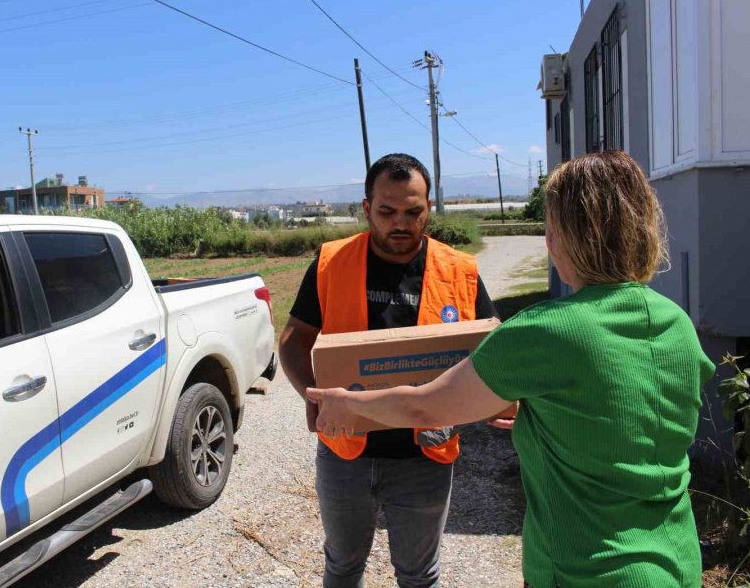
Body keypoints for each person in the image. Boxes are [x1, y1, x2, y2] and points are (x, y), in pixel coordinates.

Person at [308, 150, 716, 588]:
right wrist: (546, 413)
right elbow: (624, 413)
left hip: (587, 570)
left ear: (561, 238)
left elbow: (429, 408)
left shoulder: (547, 331)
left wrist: (349, 406)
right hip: (676, 562)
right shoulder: (677, 325)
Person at [279, 153, 500, 588]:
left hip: (425, 454)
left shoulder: (460, 271)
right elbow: (293, 339)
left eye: (413, 212)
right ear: (366, 208)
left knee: (419, 575)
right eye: (387, 211)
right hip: (346, 451)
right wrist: (311, 395)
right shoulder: (331, 263)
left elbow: (492, 348)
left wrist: (495, 399)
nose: (400, 223)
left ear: (429, 209)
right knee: (342, 566)